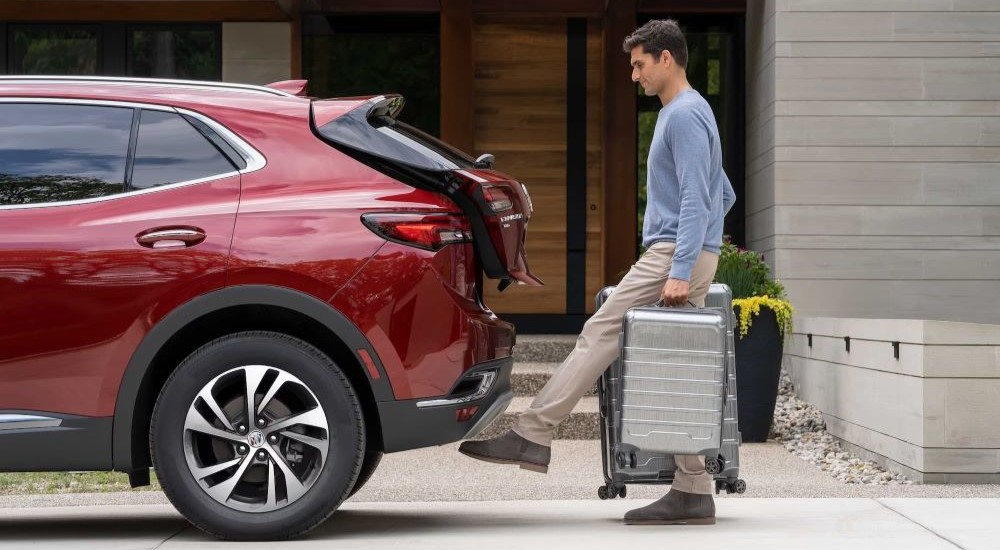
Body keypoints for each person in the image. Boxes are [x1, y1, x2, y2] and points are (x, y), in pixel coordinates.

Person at [459, 19, 737, 525]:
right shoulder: (693, 113)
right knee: (674, 364)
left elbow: (701, 195)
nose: (634, 75)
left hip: (672, 253)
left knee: (601, 331)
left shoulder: (683, 116)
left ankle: (532, 435)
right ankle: (694, 488)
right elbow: (724, 192)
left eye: (639, 64)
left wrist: (680, 265)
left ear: (666, 58)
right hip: (688, 251)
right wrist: (704, 252)